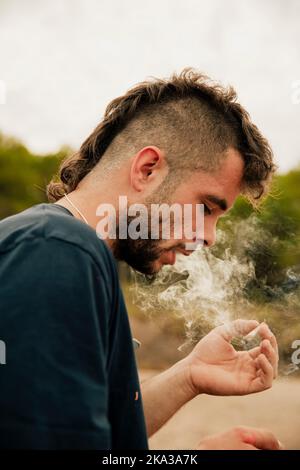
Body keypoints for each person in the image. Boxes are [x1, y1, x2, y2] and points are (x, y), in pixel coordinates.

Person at [0, 69, 281, 450]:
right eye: (206, 207)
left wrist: (190, 375)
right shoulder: (59, 251)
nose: (210, 237)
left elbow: (100, 437)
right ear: (148, 169)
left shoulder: (63, 249)